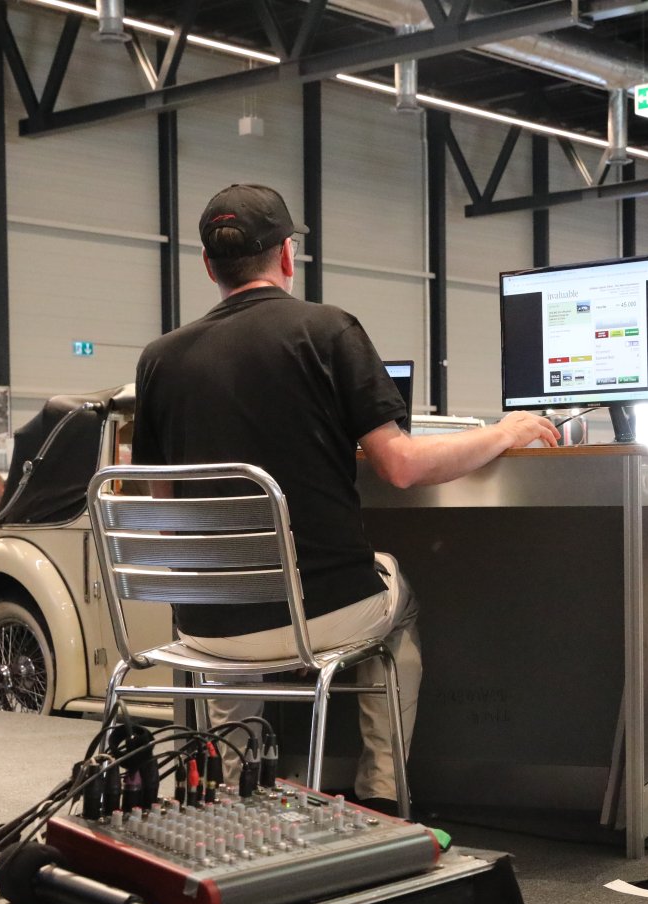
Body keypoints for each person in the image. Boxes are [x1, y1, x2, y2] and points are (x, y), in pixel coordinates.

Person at [132, 183, 557, 815]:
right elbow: (401, 466)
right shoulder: (327, 330)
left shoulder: (158, 360)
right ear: (286, 254)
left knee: (230, 627)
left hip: (205, 628)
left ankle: (233, 792)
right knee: (395, 601)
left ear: (207, 265)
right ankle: (381, 792)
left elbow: (163, 504)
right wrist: (503, 432)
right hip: (319, 619)